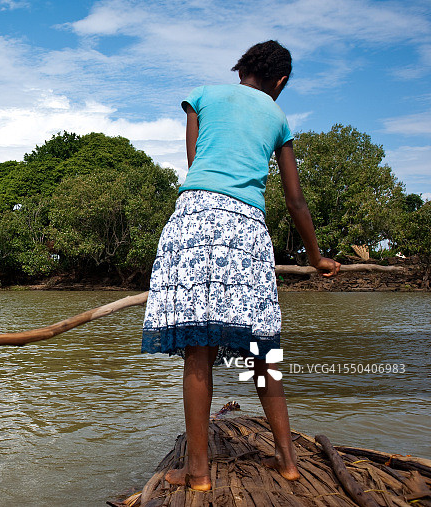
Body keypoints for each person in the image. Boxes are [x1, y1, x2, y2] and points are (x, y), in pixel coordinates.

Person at [141, 40, 341, 491]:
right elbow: (295, 200)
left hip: (196, 217)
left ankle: (197, 472)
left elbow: (196, 163)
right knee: (262, 350)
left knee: (199, 348)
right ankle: (287, 461)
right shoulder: (278, 117)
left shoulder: (202, 96)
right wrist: (316, 257)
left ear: (241, 70)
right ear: (281, 81)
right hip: (247, 228)